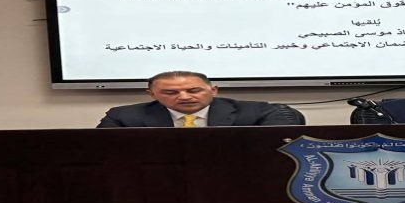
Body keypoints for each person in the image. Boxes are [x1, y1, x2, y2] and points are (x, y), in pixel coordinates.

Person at [97, 71, 303, 127]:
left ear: (213, 90)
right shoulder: (124, 117)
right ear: (152, 94)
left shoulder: (262, 112)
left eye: (194, 90)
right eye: (171, 92)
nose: (184, 97)